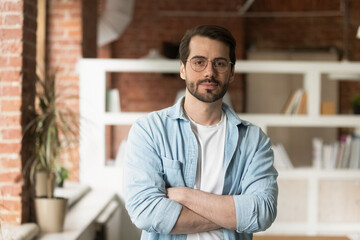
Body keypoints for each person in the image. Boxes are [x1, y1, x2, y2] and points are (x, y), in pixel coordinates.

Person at [124, 25, 278, 240]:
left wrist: (185, 195)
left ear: (231, 72)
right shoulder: (150, 130)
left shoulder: (253, 140)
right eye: (199, 62)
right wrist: (234, 214)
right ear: (182, 69)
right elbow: (146, 212)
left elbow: (262, 212)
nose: (209, 72)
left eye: (220, 63)